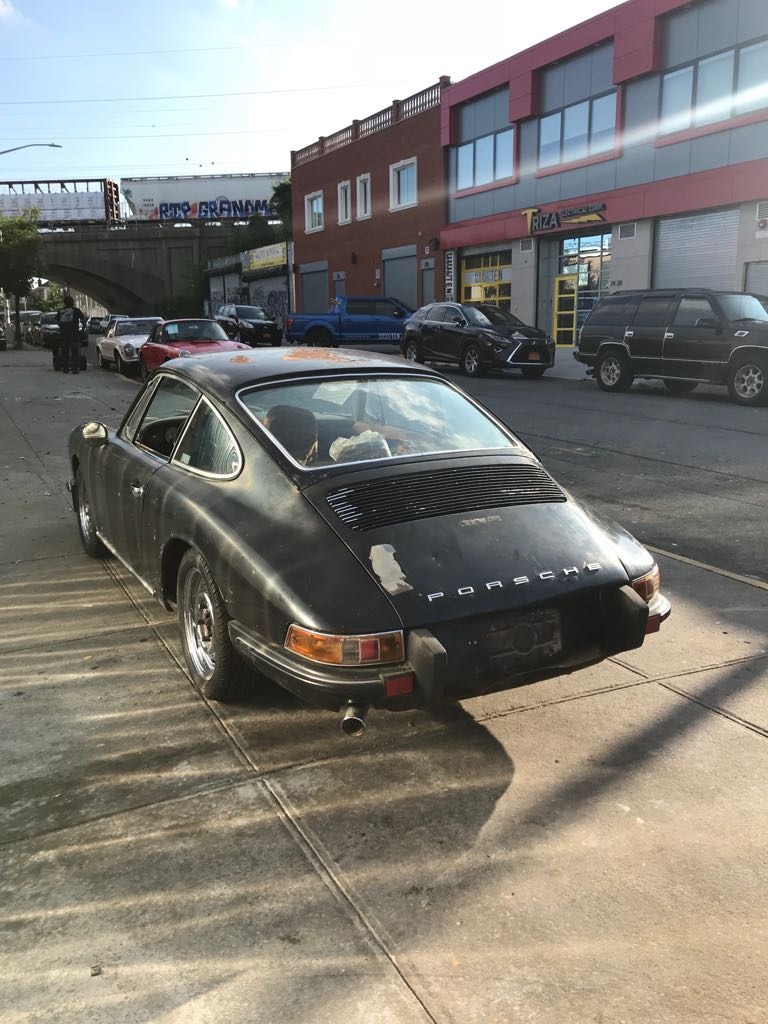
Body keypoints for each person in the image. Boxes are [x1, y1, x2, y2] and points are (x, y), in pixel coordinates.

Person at [55, 295, 87, 374]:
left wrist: (62, 327)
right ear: (72, 302)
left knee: (65, 352)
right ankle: (74, 369)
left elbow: (57, 320)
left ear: (64, 303)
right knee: (75, 352)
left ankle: (65, 368)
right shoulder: (76, 310)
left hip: (64, 334)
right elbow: (83, 320)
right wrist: (82, 329)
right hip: (74, 334)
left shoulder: (61, 311)